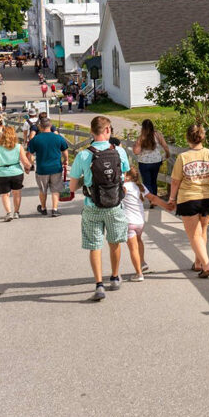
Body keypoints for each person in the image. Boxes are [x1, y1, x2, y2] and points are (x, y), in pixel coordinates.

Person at [68, 116, 132, 301]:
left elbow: (72, 187)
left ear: (91, 132)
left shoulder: (83, 155)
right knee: (115, 243)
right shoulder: (119, 152)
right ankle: (114, 276)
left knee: (95, 245)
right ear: (108, 131)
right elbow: (124, 176)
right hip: (115, 205)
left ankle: (99, 284)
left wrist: (85, 180)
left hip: (92, 206)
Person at [167, 124, 209, 279]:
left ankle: (206, 265)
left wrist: (171, 198)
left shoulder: (183, 157)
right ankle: (198, 263)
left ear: (187, 138)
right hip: (208, 197)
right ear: (203, 137)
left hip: (189, 198)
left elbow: (175, 181)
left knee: (194, 235)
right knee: (202, 231)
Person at [121, 168, 170, 281]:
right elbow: (153, 198)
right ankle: (142, 263)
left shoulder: (124, 187)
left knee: (133, 248)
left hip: (129, 222)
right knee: (139, 241)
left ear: (127, 177)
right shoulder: (140, 186)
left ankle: (139, 274)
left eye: (123, 174)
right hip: (140, 222)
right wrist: (166, 206)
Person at [27, 115, 71, 217]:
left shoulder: (36, 139)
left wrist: (29, 164)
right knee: (55, 189)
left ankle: (43, 208)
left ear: (40, 127)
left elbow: (29, 154)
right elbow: (65, 151)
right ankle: (54, 210)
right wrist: (66, 160)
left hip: (42, 169)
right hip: (56, 168)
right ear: (50, 126)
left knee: (43, 190)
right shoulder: (58, 138)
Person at [0, 125, 32, 222]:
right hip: (16, 172)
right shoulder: (18, 147)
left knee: (5, 194)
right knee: (16, 193)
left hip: (2, 172)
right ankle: (16, 212)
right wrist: (28, 167)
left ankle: (8, 212)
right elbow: (25, 161)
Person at [132, 119, 170, 203]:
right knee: (153, 181)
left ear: (143, 127)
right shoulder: (157, 135)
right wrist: (167, 153)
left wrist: (137, 144)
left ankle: (152, 200)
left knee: (147, 182)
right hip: (156, 162)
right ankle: (154, 200)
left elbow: (136, 152)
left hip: (144, 162)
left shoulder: (141, 137)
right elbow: (165, 146)